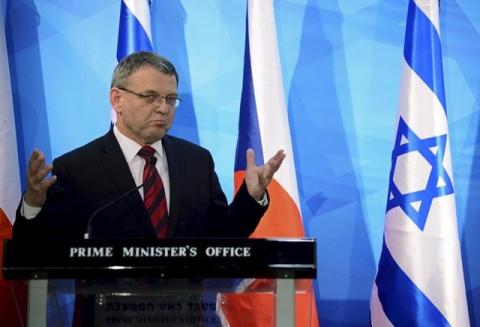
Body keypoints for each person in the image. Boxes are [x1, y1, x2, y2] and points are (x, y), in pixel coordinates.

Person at [12, 51, 285, 240]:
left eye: (170, 99)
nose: (163, 108)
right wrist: (33, 204)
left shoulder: (197, 162)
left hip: (186, 314)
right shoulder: (76, 168)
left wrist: (251, 196)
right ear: (117, 99)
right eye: (150, 97)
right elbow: (37, 251)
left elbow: (222, 240)